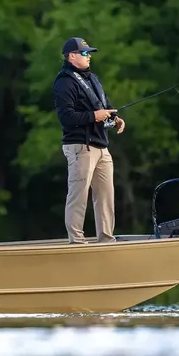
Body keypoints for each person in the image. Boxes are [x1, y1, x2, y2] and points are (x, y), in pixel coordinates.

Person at [52, 37, 125, 244]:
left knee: (106, 197)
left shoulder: (93, 79)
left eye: (89, 53)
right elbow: (66, 117)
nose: (89, 56)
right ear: (72, 56)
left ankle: (106, 239)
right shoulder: (63, 82)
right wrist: (94, 116)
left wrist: (115, 118)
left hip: (102, 146)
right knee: (79, 195)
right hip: (80, 147)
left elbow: (105, 106)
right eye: (84, 53)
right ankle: (76, 241)